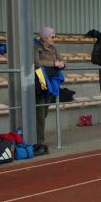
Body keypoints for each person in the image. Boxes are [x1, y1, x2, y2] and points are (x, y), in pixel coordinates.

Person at [32, 26, 66, 155]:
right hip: (41, 80)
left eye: (54, 36)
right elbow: (36, 62)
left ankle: (38, 136)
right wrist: (54, 63)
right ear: (45, 37)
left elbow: (62, 61)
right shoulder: (36, 46)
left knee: (45, 110)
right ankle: (39, 140)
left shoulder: (53, 48)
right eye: (52, 37)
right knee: (40, 111)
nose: (54, 39)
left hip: (51, 81)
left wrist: (61, 64)